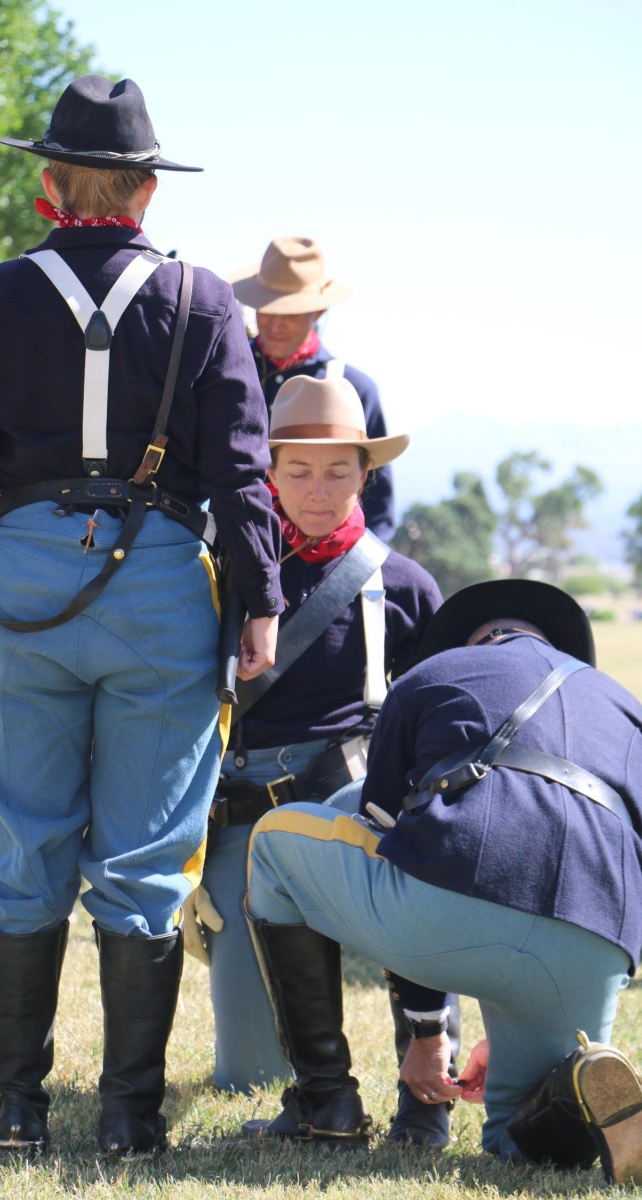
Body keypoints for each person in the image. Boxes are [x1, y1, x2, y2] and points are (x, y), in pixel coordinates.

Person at [0, 74, 282, 1157]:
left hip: (25, 575)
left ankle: (15, 1109)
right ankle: (127, 1118)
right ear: (145, 194)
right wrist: (255, 603)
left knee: (25, 843)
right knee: (146, 856)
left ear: (49, 182)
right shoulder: (205, 300)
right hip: (159, 578)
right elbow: (243, 477)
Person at [244, 580, 642, 1189]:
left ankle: (325, 1104)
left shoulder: (436, 673)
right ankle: (575, 1089)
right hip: (592, 943)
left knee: (271, 839)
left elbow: (396, 844)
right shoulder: (633, 712)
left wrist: (427, 1030)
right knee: (518, 1138)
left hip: (449, 911)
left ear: (474, 640)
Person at [185, 373, 459, 1146]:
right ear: (266, 471)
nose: (317, 487)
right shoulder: (221, 568)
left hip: (360, 804)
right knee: (247, 1068)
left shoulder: (405, 585)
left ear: (367, 476)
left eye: (339, 469)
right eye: (297, 469)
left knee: (425, 911)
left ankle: (427, 1092)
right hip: (241, 818)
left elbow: (442, 716)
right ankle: (320, 1101)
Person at [229, 236, 397, 542]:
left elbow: (379, 510)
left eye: (290, 313)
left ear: (318, 312)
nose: (276, 325)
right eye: (267, 309)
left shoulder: (355, 390)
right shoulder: (225, 377)